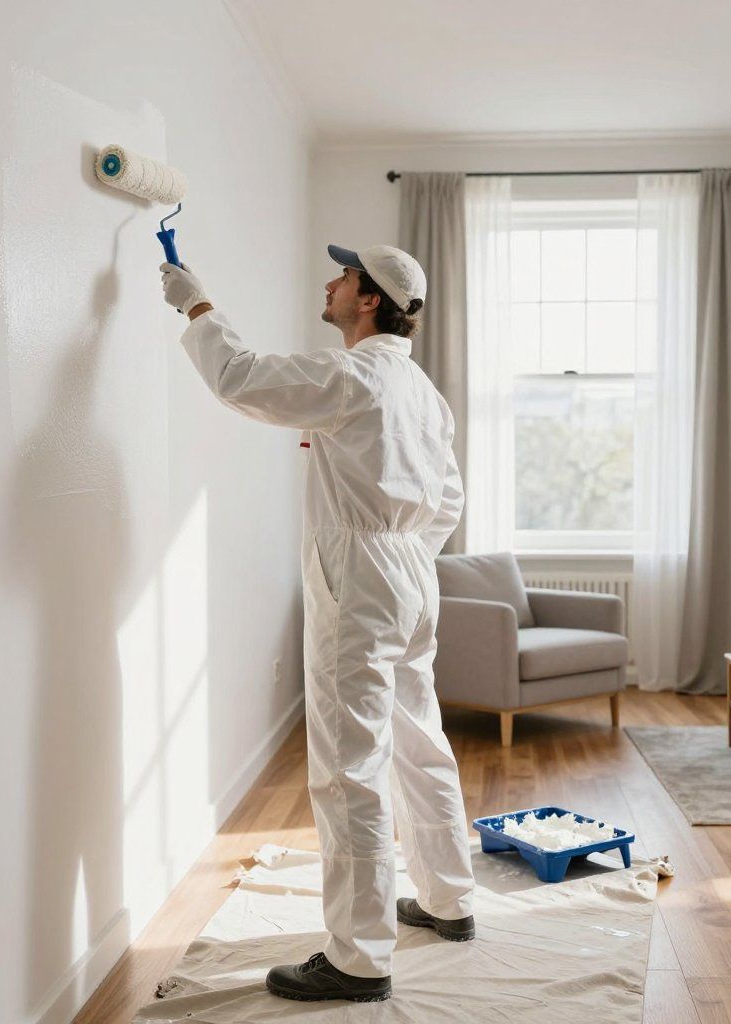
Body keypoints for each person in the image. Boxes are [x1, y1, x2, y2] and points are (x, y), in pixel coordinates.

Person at [160, 243, 476, 1004]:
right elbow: (451, 501)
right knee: (416, 736)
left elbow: (241, 379)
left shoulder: (352, 376)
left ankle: (360, 958)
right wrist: (399, 558)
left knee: (350, 762)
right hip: (410, 571)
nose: (329, 283)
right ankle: (448, 901)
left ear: (369, 301)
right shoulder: (424, 394)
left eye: (344, 277)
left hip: (364, 573)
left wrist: (197, 304)